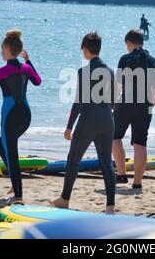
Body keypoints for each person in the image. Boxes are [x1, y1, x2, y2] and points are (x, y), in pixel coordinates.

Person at [50, 33, 117, 214]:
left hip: (89, 120)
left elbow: (78, 102)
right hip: (108, 120)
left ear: (86, 49)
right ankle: (110, 206)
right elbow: (114, 101)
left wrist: (69, 126)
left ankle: (64, 199)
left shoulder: (83, 72)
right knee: (106, 163)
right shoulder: (111, 71)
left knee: (73, 159)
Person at [0, 29, 42, 205]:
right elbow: (38, 81)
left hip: (11, 116)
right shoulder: (26, 68)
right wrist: (29, 61)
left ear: (8, 50)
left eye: (2, 49)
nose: (1, 52)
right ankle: (15, 182)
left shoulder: (2, 72)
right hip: (26, 115)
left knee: (11, 152)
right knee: (1, 147)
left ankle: (18, 195)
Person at [113, 29, 155, 189]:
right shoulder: (153, 61)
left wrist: (114, 104)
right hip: (145, 106)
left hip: (126, 103)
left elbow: (119, 86)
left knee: (115, 137)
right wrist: (151, 105)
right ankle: (137, 182)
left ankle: (121, 174)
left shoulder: (125, 59)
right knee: (140, 143)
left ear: (129, 43)